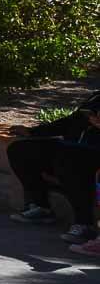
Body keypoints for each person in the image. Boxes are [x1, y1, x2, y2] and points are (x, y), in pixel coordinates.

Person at [8, 92, 100, 245]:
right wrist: (33, 132)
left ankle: (84, 224)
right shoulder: (96, 97)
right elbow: (70, 122)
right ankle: (41, 207)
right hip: (71, 147)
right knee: (19, 150)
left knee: (68, 160)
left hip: (92, 154)